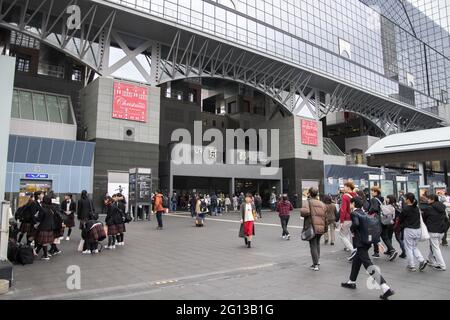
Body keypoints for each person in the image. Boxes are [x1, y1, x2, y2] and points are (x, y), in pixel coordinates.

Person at [341, 197, 395, 300]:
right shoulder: (364, 213)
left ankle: (385, 288)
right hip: (367, 242)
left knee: (368, 265)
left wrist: (352, 229)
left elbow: (356, 224)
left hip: (360, 242)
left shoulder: (354, 213)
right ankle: (351, 281)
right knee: (356, 261)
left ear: (352, 204)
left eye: (350, 203)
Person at [400, 193, 427, 272]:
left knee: (408, 248)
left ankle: (412, 265)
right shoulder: (416, 208)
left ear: (408, 199)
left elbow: (400, 219)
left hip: (409, 230)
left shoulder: (405, 209)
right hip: (417, 230)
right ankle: (422, 260)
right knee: (414, 247)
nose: (404, 200)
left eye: (405, 198)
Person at [300, 188, 326, 271]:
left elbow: (304, 212)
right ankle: (317, 262)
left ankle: (315, 264)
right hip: (321, 226)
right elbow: (326, 216)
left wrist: (302, 209)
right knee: (317, 244)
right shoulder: (322, 204)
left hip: (312, 226)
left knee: (313, 245)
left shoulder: (308, 202)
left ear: (310, 194)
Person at [422, 194, 447, 271]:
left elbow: (424, 219)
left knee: (435, 248)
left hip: (432, 231)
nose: (427, 200)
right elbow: (446, 218)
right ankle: (430, 260)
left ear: (433, 200)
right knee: (434, 246)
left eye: (429, 199)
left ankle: (442, 265)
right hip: (441, 231)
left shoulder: (428, 208)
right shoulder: (443, 207)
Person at [339, 182, 357, 261]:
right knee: (350, 234)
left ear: (348, 187)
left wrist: (341, 221)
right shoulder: (355, 195)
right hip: (354, 217)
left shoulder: (345, 196)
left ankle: (352, 250)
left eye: (345, 187)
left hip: (347, 218)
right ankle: (353, 249)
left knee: (342, 235)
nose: (343, 188)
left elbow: (343, 209)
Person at [34, 196, 55, 260]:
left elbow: (39, 219)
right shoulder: (52, 208)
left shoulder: (42, 209)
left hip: (43, 227)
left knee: (43, 242)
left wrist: (35, 216)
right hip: (50, 227)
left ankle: (45, 256)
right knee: (43, 241)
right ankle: (36, 252)